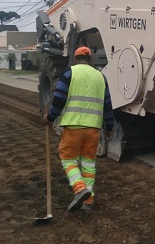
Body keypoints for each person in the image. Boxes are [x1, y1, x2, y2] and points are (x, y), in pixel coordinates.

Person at [42, 46, 114, 212]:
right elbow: (107, 105)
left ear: (75, 59)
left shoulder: (69, 74)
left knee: (68, 159)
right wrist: (109, 127)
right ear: (90, 59)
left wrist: (51, 117)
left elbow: (59, 98)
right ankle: (88, 201)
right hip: (93, 129)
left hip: (73, 126)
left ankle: (79, 188)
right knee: (88, 163)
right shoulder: (101, 77)